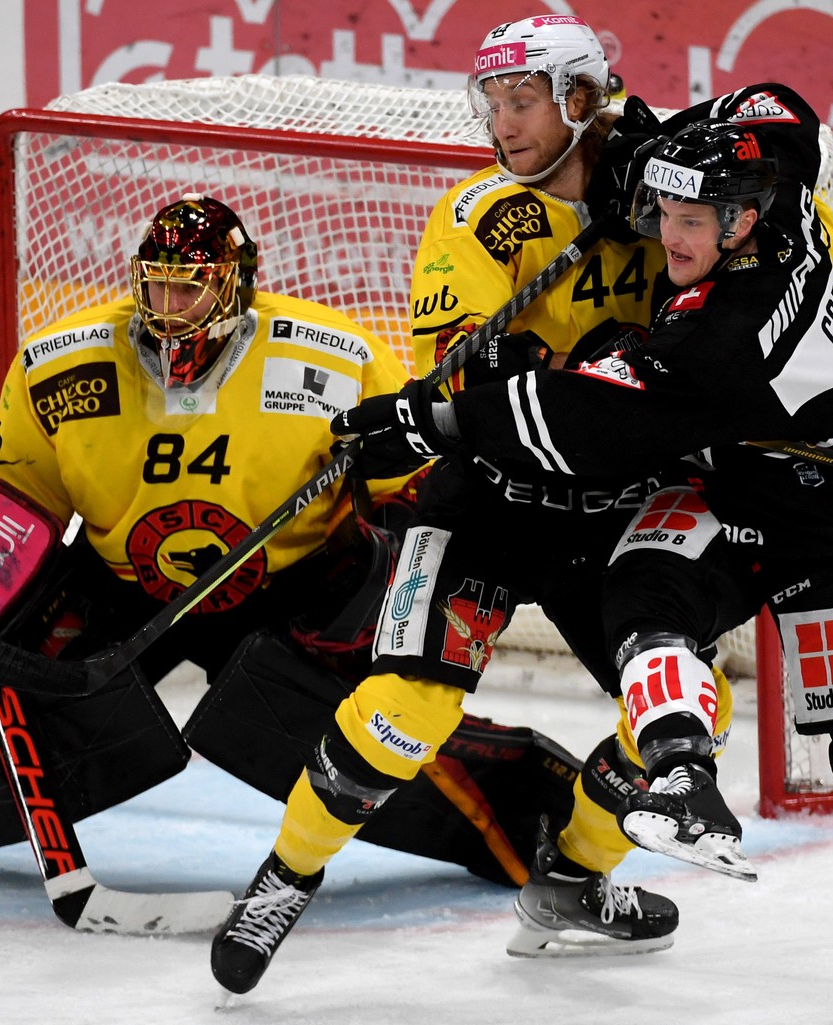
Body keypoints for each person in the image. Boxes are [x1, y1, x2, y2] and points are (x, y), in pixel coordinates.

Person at [328, 85, 833, 1006]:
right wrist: (656, 132)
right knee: (641, 593)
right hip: (716, 487)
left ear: (742, 222)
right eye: (664, 212)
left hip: (825, 520)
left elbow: (582, 414)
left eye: (688, 221)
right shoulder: (783, 181)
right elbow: (780, 108)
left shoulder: (726, 334)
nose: (665, 238)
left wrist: (427, 417)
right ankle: (680, 774)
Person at [0, 194, 581, 892]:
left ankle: (526, 809)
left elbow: (409, 491)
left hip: (300, 585)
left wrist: (408, 612)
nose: (169, 306)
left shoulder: (331, 359)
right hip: (123, 587)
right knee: (50, 714)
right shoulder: (60, 365)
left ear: (236, 287)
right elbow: (12, 503)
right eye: (157, 284)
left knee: (340, 736)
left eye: (191, 286)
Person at [210, 15, 733, 996]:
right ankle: (288, 873)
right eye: (490, 102)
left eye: (522, 98)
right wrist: (594, 374)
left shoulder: (671, 206)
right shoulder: (480, 216)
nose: (501, 122)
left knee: (686, 707)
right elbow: (474, 378)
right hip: (487, 493)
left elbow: (722, 327)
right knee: (403, 708)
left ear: (582, 98)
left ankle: (573, 878)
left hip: (611, 511)